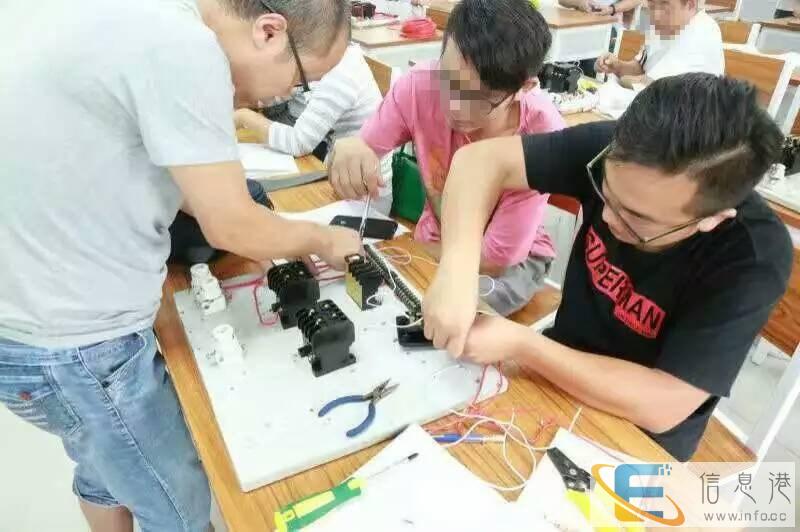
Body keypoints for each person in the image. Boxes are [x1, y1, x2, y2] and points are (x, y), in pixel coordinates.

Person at [0, 1, 357, 531]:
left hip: (30, 332)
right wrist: (321, 237)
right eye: (299, 81)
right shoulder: (186, 48)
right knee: (179, 506)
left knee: (106, 469)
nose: (284, 97)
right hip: (77, 344)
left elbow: (183, 183)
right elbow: (229, 225)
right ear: (269, 32)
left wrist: (265, 228)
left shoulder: (149, 20)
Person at [422, 74, 792, 461]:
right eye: (607, 193)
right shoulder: (628, 151)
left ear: (712, 219)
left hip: (636, 435)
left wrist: (523, 345)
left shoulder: (753, 256)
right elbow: (478, 162)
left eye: (637, 219)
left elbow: (662, 404)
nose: (608, 218)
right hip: (552, 375)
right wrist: (457, 271)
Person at [329, 0, 566, 316]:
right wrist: (350, 152)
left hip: (510, 263)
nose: (455, 107)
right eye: (448, 81)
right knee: (373, 294)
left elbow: (495, 258)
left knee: (451, 312)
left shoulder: (542, 133)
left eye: (480, 99)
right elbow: (364, 150)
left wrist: (407, 252)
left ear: (525, 87)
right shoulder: (419, 85)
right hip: (436, 238)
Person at [233, 44, 394, 214]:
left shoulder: (343, 73)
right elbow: (283, 92)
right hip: (337, 177)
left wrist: (243, 117)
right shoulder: (324, 55)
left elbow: (298, 142)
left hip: (364, 197)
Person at [595, 0, 724, 89]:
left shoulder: (704, 31)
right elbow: (641, 67)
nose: (655, 16)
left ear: (690, 4)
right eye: (651, 5)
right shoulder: (661, 27)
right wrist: (617, 66)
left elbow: (655, 85)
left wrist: (624, 79)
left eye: (665, 5)